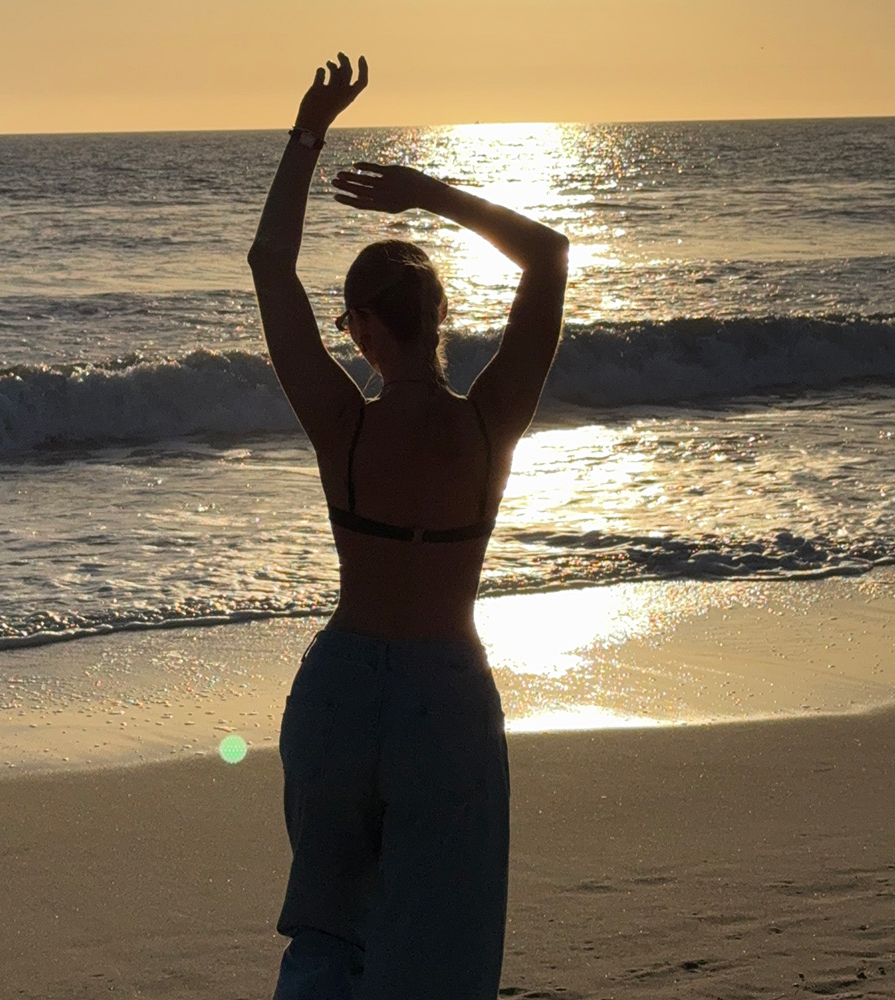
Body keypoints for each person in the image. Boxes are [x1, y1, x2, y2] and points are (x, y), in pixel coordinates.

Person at [248, 53, 568, 1000]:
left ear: (361, 331)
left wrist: (308, 134)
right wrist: (428, 194)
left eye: (347, 323)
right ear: (439, 320)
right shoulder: (487, 421)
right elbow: (548, 254)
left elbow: (269, 264)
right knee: (443, 950)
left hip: (342, 688)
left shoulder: (342, 425)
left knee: (326, 931)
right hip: (444, 695)